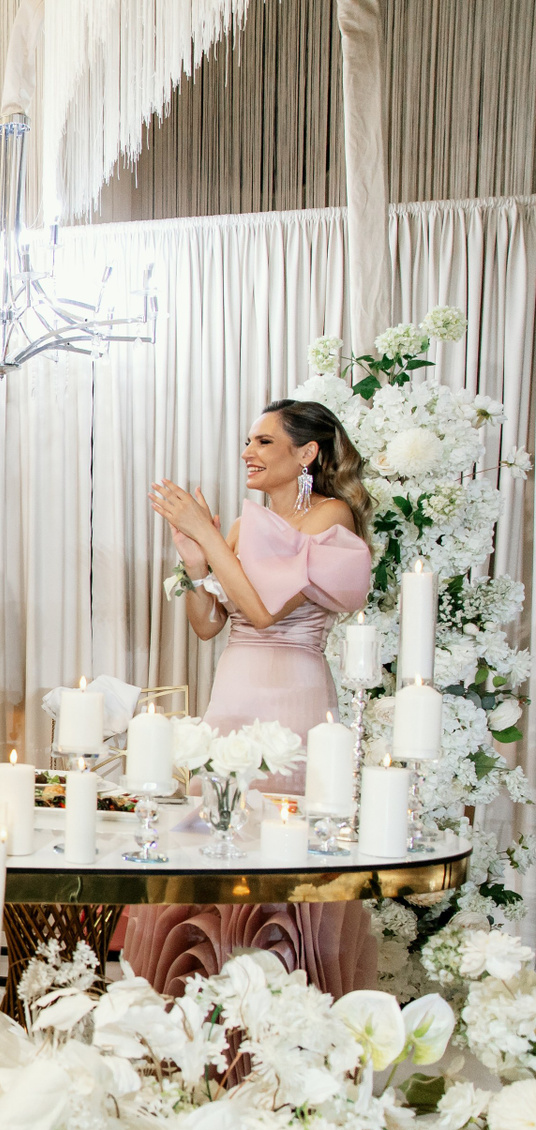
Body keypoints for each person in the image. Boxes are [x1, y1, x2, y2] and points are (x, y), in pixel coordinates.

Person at [125, 398, 377, 996]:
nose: (248, 453)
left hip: (293, 689)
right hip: (233, 687)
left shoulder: (330, 515)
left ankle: (283, 998)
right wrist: (194, 560)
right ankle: (207, 996)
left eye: (264, 442)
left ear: (307, 452)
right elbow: (209, 623)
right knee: (218, 827)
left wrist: (208, 535)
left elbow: (265, 612)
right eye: (248, 441)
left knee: (283, 841)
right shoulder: (243, 526)